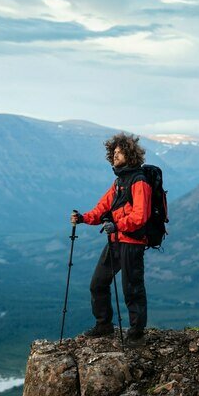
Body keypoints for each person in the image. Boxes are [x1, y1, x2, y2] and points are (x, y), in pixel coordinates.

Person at [71, 132, 152, 347]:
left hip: (132, 242)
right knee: (97, 284)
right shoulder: (119, 182)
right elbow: (102, 208)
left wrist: (117, 225)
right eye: (113, 153)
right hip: (116, 240)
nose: (115, 156)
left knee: (132, 288)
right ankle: (103, 325)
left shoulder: (139, 182)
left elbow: (140, 216)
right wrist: (83, 218)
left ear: (130, 154)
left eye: (119, 152)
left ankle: (136, 334)